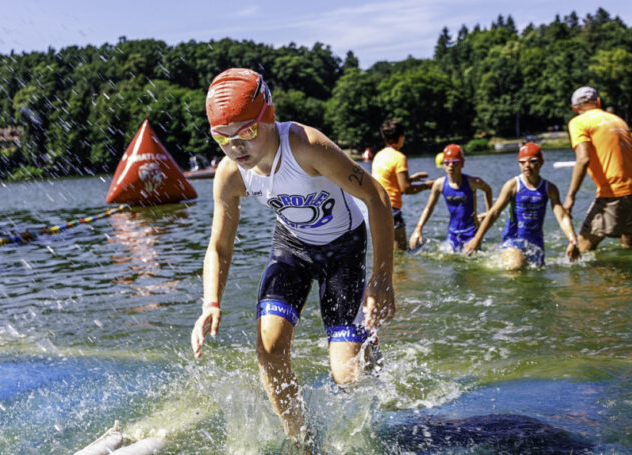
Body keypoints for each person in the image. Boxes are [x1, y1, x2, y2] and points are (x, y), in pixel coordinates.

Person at [190, 68, 395, 448]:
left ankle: (368, 349)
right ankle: (302, 441)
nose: (236, 146)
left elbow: (376, 197)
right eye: (223, 137)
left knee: (347, 377)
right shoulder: (230, 174)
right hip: (293, 246)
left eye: (247, 132)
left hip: (342, 250)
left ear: (268, 115)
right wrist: (210, 302)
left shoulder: (306, 146)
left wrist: (382, 277)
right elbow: (219, 245)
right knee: (269, 345)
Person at [463, 143, 580, 270]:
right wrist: (477, 239)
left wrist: (572, 240)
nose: (527, 166)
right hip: (513, 240)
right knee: (514, 267)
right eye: (522, 162)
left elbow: (562, 216)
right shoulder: (513, 185)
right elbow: (494, 212)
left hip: (536, 243)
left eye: (532, 161)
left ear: (541, 162)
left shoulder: (549, 188)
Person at [563, 86, 632, 250]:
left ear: (574, 108)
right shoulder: (618, 120)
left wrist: (570, 196)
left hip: (614, 192)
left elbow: (583, 158)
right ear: (598, 102)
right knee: (629, 245)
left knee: (582, 247)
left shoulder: (578, 122)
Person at [409, 144, 492, 252]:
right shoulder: (439, 184)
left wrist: (489, 212)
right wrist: (418, 229)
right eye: (447, 162)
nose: (451, 166)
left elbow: (488, 190)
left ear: (462, 163)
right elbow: (428, 208)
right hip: (452, 233)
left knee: (469, 257)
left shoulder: (473, 182)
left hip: (471, 232)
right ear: (443, 164)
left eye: (455, 162)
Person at [371, 120, 433, 251]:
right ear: (400, 137)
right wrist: (427, 185)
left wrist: (410, 179)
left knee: (387, 251)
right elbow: (406, 189)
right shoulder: (399, 158)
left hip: (376, 207)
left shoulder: (379, 155)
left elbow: (387, 181)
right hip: (391, 207)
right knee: (400, 251)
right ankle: (400, 273)